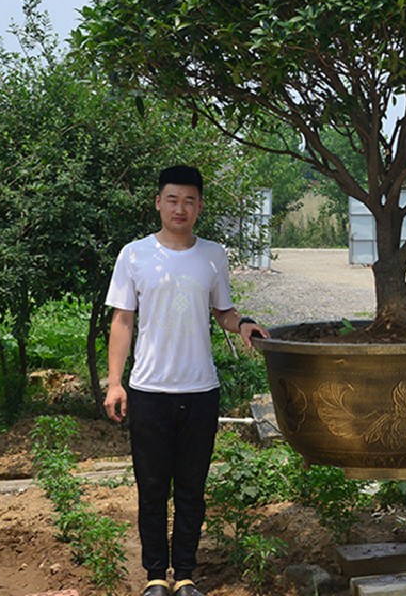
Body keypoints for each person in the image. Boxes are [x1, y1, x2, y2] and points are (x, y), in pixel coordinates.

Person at [104, 165, 268, 596]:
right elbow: (122, 319)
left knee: (193, 489)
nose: (181, 208)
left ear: (199, 206)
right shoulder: (134, 254)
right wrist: (115, 382)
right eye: (172, 199)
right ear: (158, 202)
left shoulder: (213, 255)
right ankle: (156, 577)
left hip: (200, 391)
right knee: (153, 489)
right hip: (148, 391)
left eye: (189, 200)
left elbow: (223, 311)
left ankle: (188, 575)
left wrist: (243, 324)